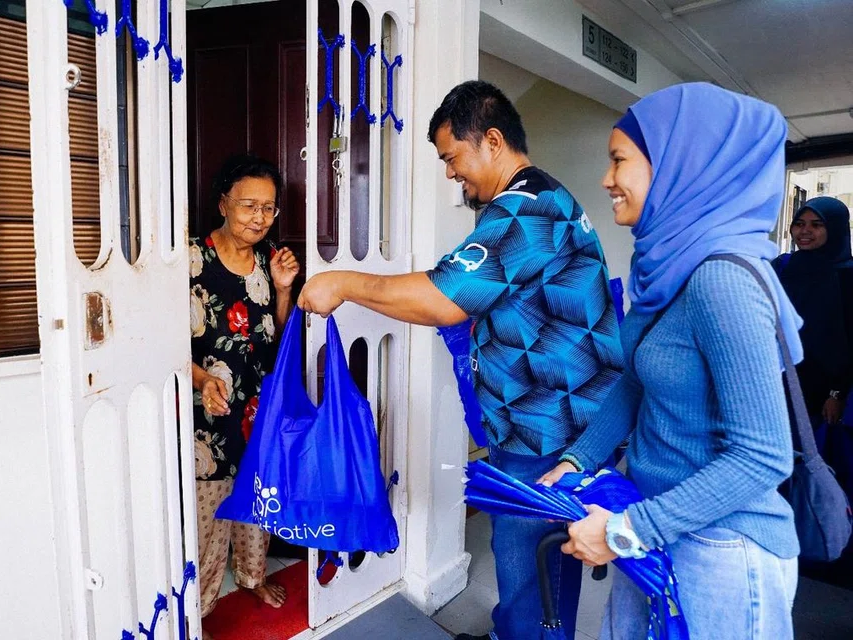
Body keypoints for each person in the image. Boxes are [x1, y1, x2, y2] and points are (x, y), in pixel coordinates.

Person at [298, 80, 624, 640]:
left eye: (452, 158)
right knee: (541, 563)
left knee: (530, 573)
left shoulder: (523, 212)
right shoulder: (541, 200)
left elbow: (442, 299)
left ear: (491, 141)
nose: (451, 173)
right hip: (554, 422)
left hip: (545, 433)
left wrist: (343, 281)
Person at [540, 83, 802, 639]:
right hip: (659, 526)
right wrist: (577, 461)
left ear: (683, 166)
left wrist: (625, 532)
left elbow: (764, 457)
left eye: (618, 161)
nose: (607, 180)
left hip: (722, 548)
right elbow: (636, 383)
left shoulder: (721, 280)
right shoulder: (663, 270)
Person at [189, 154, 300, 621]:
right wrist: (202, 379)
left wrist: (281, 289)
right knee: (210, 514)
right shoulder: (191, 258)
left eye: (268, 208)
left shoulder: (268, 260)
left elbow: (276, 337)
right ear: (223, 204)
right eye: (248, 205)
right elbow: (161, 340)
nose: (258, 217)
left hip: (257, 405)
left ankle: (253, 576)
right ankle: (200, 608)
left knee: (258, 495)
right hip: (208, 410)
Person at [772, 197, 853, 426]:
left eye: (816, 225)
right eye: (799, 223)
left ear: (834, 228)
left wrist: (838, 393)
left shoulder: (847, 275)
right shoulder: (782, 267)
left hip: (826, 389)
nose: (805, 231)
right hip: (781, 378)